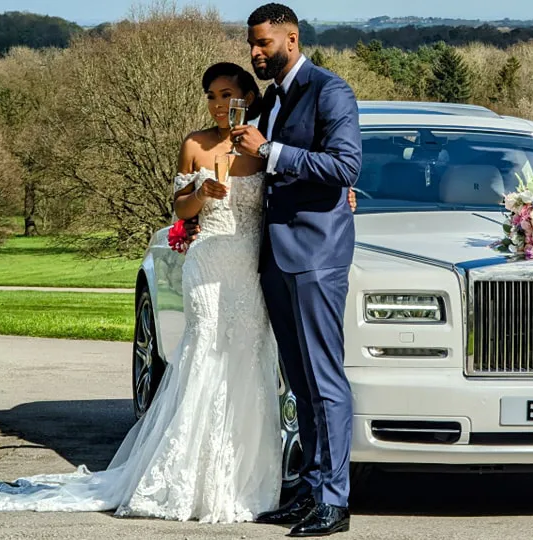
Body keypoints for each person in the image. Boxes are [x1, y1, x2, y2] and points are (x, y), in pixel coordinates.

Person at [0, 62, 286, 524]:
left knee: (247, 358)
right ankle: (188, 476)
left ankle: (244, 480)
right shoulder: (195, 144)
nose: (220, 104)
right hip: (206, 263)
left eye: (229, 95)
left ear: (248, 96)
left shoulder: (264, 146)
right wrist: (202, 192)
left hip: (248, 266)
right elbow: (180, 208)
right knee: (204, 353)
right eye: (212, 96)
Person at [230, 3, 362, 537]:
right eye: (251, 45)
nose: (256, 53)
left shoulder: (330, 90)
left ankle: (335, 501)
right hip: (274, 257)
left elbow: (345, 167)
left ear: (292, 36)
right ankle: (309, 491)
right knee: (301, 384)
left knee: (325, 379)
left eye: (264, 43)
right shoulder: (271, 99)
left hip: (315, 256)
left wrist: (274, 152)